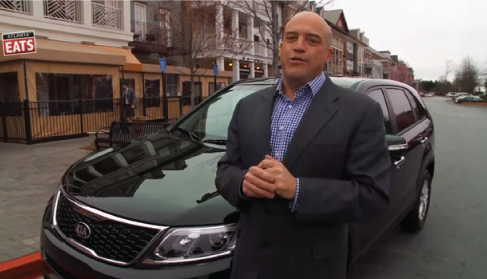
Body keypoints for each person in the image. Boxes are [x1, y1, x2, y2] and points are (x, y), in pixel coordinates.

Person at [215, 11, 391, 279]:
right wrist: (242, 183)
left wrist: (298, 189)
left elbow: (372, 195)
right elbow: (226, 169)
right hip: (250, 263)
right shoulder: (247, 106)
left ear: (328, 55)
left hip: (313, 267)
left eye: (312, 40)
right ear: (281, 47)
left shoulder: (361, 111)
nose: (299, 46)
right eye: (291, 38)